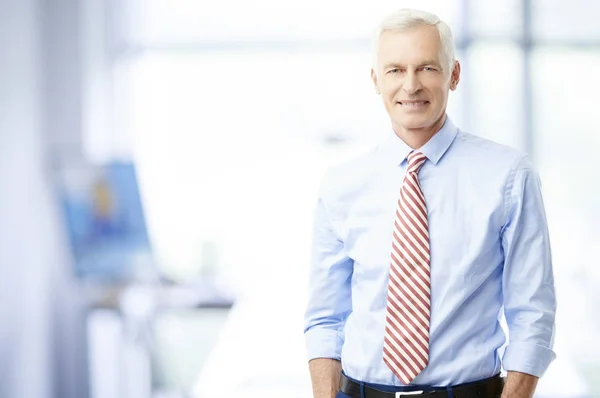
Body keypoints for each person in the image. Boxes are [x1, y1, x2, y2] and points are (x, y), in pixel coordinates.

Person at [303, 8, 556, 398]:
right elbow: (325, 318)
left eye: (427, 68)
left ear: (454, 74)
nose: (410, 85)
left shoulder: (508, 176)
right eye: (395, 70)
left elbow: (532, 311)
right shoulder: (342, 185)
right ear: (376, 80)